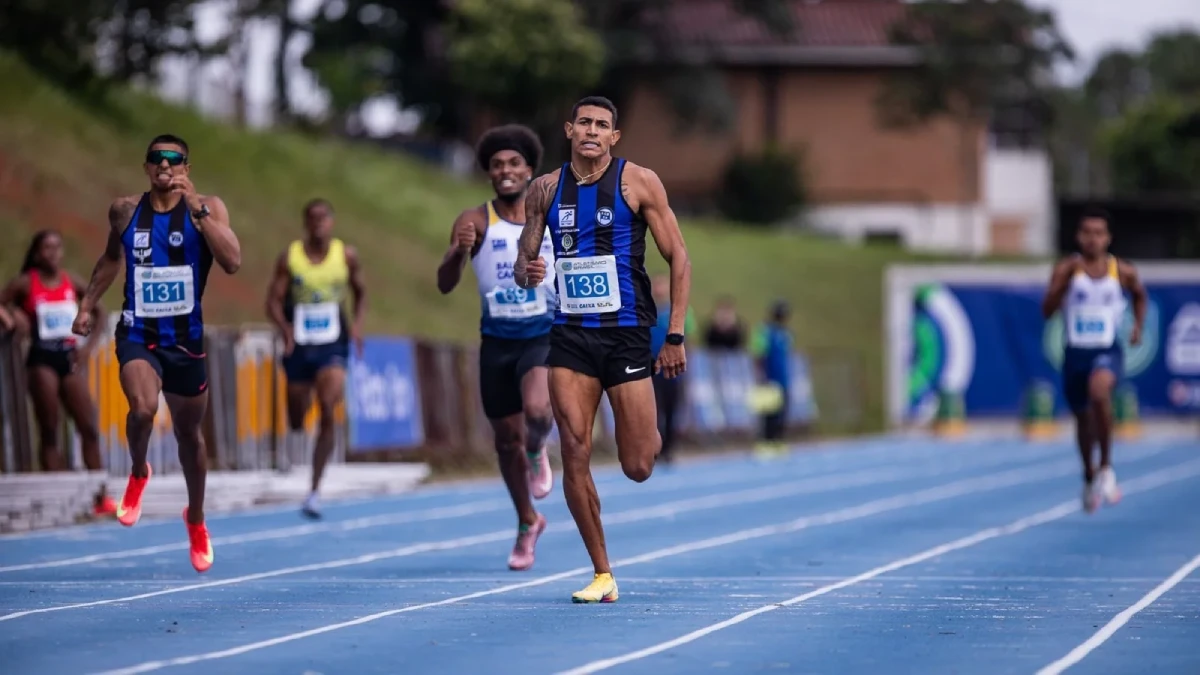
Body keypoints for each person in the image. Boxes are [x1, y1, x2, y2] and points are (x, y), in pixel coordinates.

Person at [514, 96, 691, 603]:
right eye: (584, 123)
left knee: (638, 464)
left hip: (627, 333)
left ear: (614, 137)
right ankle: (602, 572)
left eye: (603, 125)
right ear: (569, 129)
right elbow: (527, 262)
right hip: (570, 334)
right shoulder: (544, 190)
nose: (592, 131)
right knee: (574, 448)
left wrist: (674, 334)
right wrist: (528, 271)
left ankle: (645, 433)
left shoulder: (639, 182)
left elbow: (678, 257)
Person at [72, 134, 241, 573]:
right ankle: (139, 470)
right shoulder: (125, 210)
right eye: (157, 159)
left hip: (186, 341)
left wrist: (200, 211)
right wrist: (88, 304)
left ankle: (196, 518)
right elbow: (111, 259)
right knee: (143, 410)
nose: (165, 166)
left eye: (175, 160)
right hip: (138, 332)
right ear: (146, 166)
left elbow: (233, 261)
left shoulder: (208, 207)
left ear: (187, 166)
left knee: (191, 437)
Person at [436, 124, 556, 571]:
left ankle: (537, 447)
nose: (505, 171)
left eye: (514, 163)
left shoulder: (549, 215)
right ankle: (528, 521)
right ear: (489, 172)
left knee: (539, 412)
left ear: (529, 169)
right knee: (504, 439)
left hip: (542, 332)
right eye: (497, 164)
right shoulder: (474, 221)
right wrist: (455, 255)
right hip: (497, 341)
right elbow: (446, 285)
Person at [0, 231, 114, 515]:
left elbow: (100, 311)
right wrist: (10, 317)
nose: (52, 253)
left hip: (70, 356)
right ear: (37, 253)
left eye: (57, 248)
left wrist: (88, 349)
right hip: (42, 358)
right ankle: (56, 498)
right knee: (49, 427)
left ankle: (101, 496)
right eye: (46, 248)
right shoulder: (26, 283)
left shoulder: (70, 281)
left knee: (87, 425)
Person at [265, 198, 366, 519]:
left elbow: (361, 292)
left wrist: (358, 326)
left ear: (332, 222)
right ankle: (297, 427)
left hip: (332, 343)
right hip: (300, 343)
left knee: (327, 406)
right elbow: (272, 301)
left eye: (324, 218)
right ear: (305, 223)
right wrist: (284, 328)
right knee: (297, 415)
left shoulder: (346, 256)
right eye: (313, 218)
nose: (319, 223)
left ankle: (314, 489)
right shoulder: (290, 257)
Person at [1041, 207, 1146, 513]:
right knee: (1082, 419)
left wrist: (1137, 326)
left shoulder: (1122, 271)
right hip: (1075, 352)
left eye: (1098, 233)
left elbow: (1140, 295)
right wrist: (1060, 289)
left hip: (1107, 349)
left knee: (1100, 392)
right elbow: (1046, 311)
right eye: (1086, 233)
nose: (1092, 239)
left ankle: (1106, 467)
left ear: (1108, 238)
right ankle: (1088, 474)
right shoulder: (1066, 270)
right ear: (1078, 236)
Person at [649, 272, 696, 466]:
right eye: (656, 286)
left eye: (662, 286)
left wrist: (687, 363)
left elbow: (689, 339)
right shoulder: (645, 310)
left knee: (670, 409)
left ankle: (669, 448)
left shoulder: (679, 312)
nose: (658, 290)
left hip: (672, 367)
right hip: (650, 368)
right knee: (652, 411)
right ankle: (653, 448)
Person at [750, 300, 794, 457]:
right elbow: (759, 354)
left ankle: (778, 440)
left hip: (783, 378)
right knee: (769, 412)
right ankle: (765, 441)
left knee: (782, 411)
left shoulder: (785, 333)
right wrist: (761, 375)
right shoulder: (765, 331)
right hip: (769, 377)